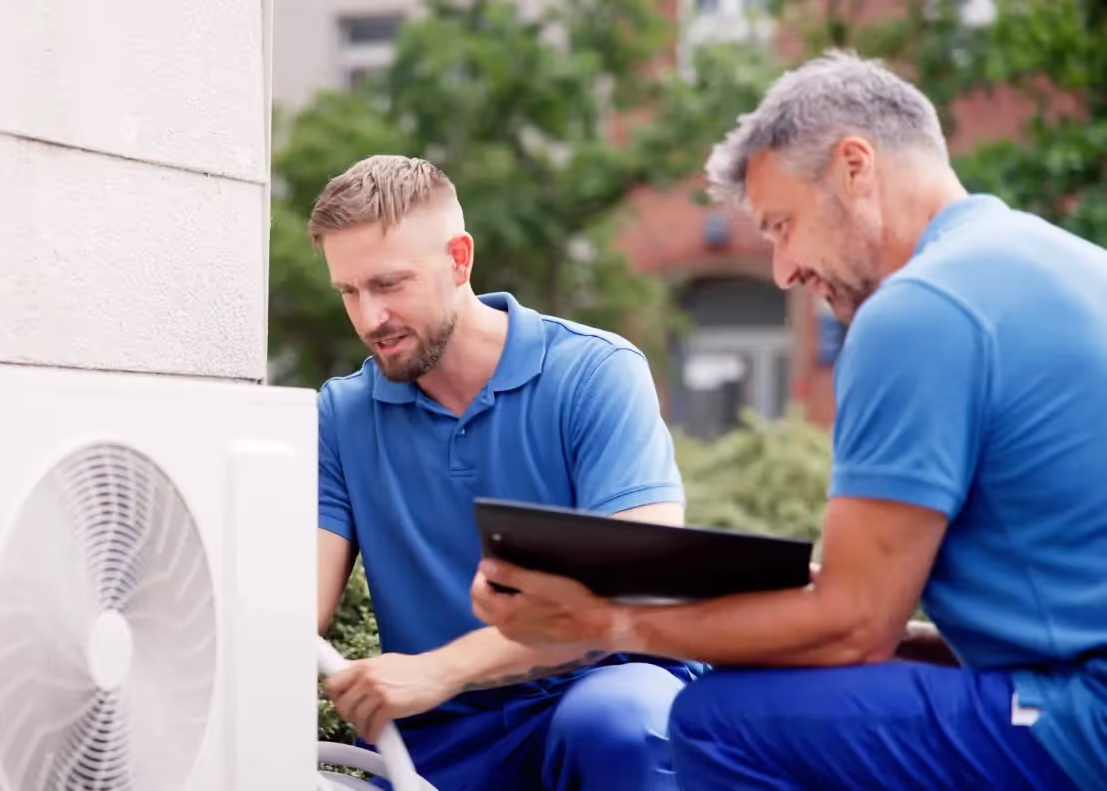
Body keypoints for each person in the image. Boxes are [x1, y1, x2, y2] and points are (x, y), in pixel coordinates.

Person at [470, 49, 1106, 791]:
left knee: (721, 718)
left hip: (1081, 720)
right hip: (1069, 696)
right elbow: (899, 625)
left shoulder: (918, 310)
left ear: (854, 167)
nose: (782, 269)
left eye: (781, 224)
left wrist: (606, 623)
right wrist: (793, 607)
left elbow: (850, 629)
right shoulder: (1069, 263)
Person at [310, 153, 700, 791]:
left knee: (616, 721)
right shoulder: (343, 414)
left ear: (459, 259)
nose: (368, 318)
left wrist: (448, 666)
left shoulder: (595, 373)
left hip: (600, 695)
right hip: (439, 733)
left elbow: (639, 585)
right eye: (349, 291)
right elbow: (295, 608)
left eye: (389, 285)